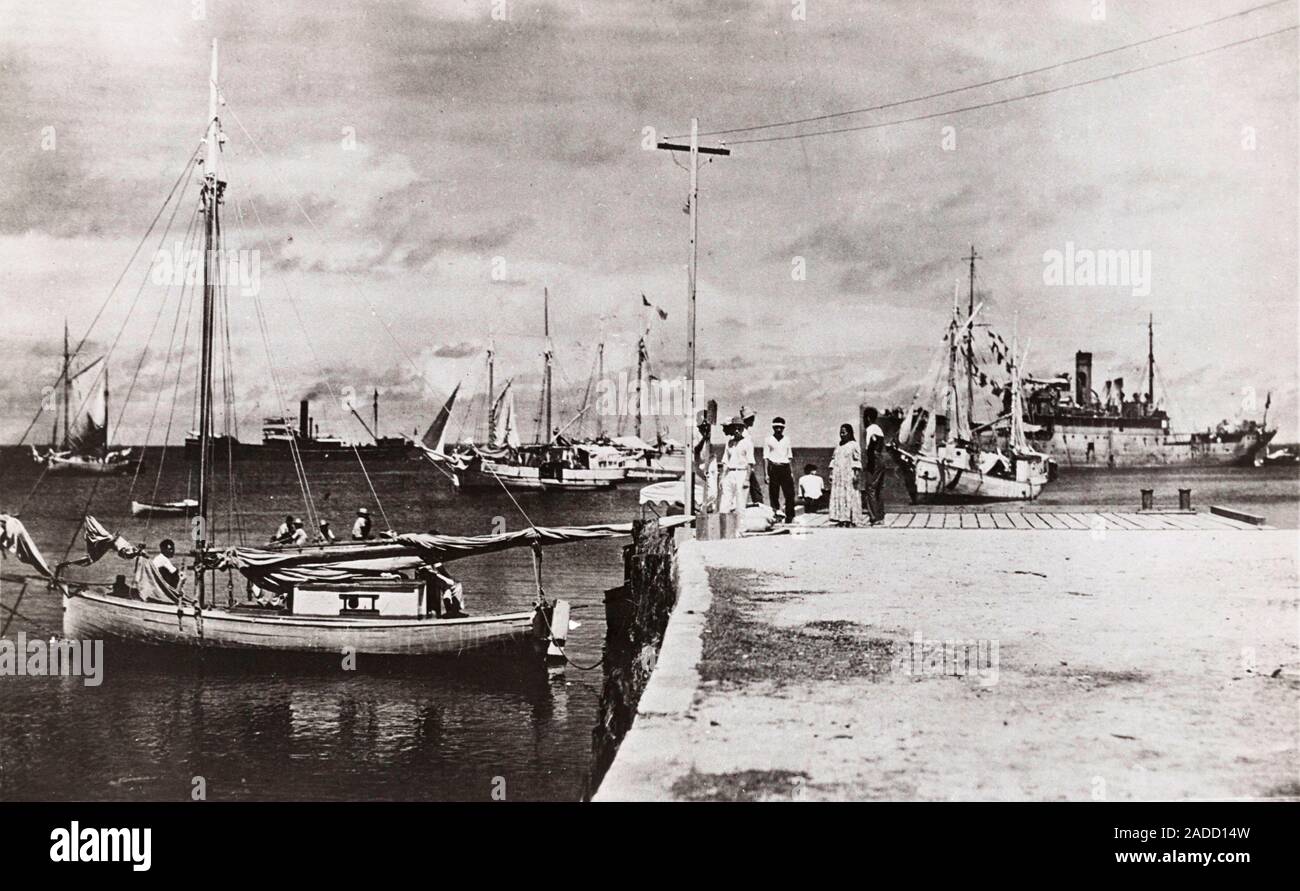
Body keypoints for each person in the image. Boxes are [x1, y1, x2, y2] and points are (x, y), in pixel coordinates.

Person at [718, 416, 754, 515]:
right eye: (735, 428)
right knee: (724, 503)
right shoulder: (729, 443)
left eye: (740, 428)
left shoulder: (747, 443)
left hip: (741, 473)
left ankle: (739, 529)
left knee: (740, 505)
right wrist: (722, 477)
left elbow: (750, 463)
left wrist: (747, 479)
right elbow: (725, 461)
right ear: (732, 428)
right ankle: (724, 528)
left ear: (743, 429)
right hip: (729, 474)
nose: (737, 430)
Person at [829, 423, 862, 527]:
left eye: (844, 432)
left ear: (849, 433)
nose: (842, 435)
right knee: (839, 496)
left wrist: (856, 474)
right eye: (841, 433)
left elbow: (857, 460)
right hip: (838, 475)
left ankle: (850, 519)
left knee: (850, 495)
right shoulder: (838, 445)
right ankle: (841, 519)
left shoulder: (854, 445)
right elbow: (833, 460)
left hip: (849, 475)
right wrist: (831, 474)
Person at [764, 416, 795, 523]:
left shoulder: (787, 439)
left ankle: (790, 516)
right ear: (773, 427)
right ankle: (776, 514)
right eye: (776, 427)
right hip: (774, 468)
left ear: (783, 428)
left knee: (790, 493)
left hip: (785, 468)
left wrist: (791, 472)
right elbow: (766, 458)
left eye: (781, 427)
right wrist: (766, 474)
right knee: (774, 494)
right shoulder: (768, 440)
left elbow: (789, 457)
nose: (778, 429)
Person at [863, 407, 886, 525]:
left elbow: (872, 441)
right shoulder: (879, 429)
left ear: (867, 418)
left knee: (870, 488)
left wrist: (869, 461)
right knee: (879, 489)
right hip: (881, 458)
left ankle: (874, 517)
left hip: (874, 458)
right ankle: (881, 516)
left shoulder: (870, 429)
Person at [739, 406, 761, 505]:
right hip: (745, 466)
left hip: (747, 467)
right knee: (756, 492)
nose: (753, 421)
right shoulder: (743, 433)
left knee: (755, 491)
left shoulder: (745, 432)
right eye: (752, 418)